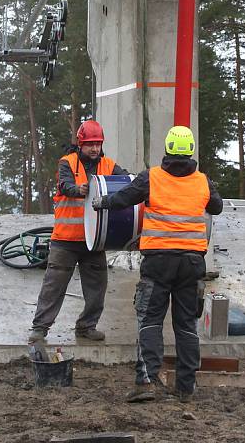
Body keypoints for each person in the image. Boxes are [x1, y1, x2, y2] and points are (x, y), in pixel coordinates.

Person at [92, 125, 223, 403]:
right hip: (191, 264)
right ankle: (186, 388)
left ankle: (147, 382)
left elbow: (123, 199)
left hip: (159, 262)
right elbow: (217, 207)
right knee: (187, 324)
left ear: (167, 149)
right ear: (190, 151)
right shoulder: (202, 181)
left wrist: (100, 201)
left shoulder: (151, 178)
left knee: (150, 320)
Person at [28, 119, 128, 344]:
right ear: (81, 143)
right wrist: (79, 189)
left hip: (95, 240)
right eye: (90, 144)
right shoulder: (68, 163)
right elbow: (64, 186)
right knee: (53, 287)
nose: (95, 148)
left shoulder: (109, 165)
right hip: (66, 240)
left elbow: (126, 182)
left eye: (98, 144)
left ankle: (86, 327)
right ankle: (40, 329)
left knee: (97, 289)